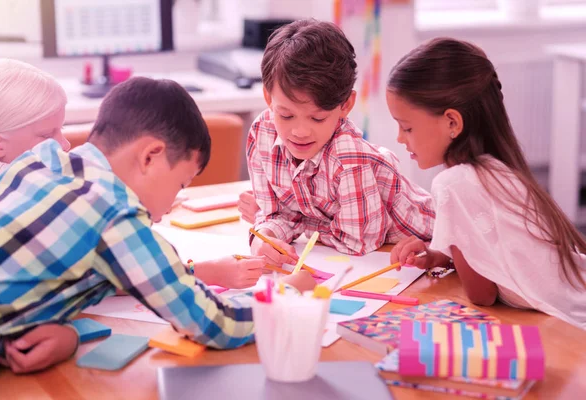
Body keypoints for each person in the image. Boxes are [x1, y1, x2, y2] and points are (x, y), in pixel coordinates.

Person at [0, 77, 316, 373]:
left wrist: (68, 335)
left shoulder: (41, 159)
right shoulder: (113, 214)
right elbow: (217, 323)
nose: (166, 209)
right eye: (180, 185)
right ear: (150, 156)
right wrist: (288, 293)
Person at [387, 38, 586, 329]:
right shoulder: (495, 170)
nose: (400, 138)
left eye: (407, 127)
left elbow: (483, 295)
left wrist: (451, 248)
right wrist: (435, 257)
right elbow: (493, 252)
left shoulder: (453, 184)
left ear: (452, 122)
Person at [246, 19, 435, 267]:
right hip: (386, 255)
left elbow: (358, 242)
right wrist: (262, 238)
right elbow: (274, 215)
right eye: (286, 115)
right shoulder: (262, 133)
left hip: (436, 240)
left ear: (345, 105)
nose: (300, 131)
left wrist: (298, 223)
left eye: (318, 117)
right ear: (268, 97)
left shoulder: (348, 157)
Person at [0, 58, 77, 374]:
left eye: (61, 129)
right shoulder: (19, 197)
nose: (64, 144)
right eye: (48, 134)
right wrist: (69, 338)